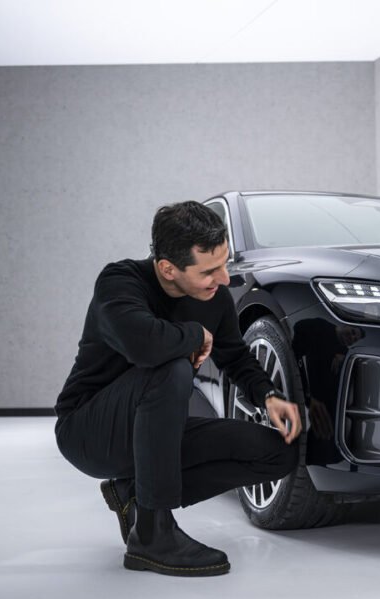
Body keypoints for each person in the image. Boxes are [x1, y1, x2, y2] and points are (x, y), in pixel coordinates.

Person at [55, 201, 301, 577]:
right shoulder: (119, 282)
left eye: (224, 264)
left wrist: (268, 396)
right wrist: (195, 335)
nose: (224, 279)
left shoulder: (214, 297)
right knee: (171, 366)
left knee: (277, 455)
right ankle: (152, 535)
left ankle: (135, 497)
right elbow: (144, 345)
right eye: (209, 271)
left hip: (156, 433)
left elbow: (234, 357)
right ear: (168, 268)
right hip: (89, 431)